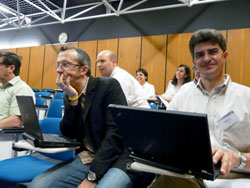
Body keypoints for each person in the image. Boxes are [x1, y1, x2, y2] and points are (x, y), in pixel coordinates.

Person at [28, 46, 151, 188]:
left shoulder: (108, 86)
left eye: (65, 64)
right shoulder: (70, 94)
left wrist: (93, 176)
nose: (59, 70)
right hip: (90, 156)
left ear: (84, 70)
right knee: (38, 185)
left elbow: (115, 136)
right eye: (58, 64)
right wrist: (73, 99)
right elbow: (68, 133)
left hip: (119, 157)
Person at [150, 29, 250, 188]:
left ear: (225, 56)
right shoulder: (182, 97)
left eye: (213, 52)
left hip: (234, 179)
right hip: (188, 177)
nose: (207, 58)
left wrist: (238, 158)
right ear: (194, 62)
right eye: (200, 55)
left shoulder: (246, 97)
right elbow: (165, 141)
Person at [0, 51, 34, 128]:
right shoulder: (1, 86)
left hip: (8, 137)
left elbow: (15, 121)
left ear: (11, 68)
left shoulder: (22, 89)